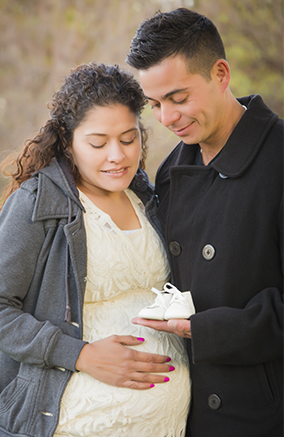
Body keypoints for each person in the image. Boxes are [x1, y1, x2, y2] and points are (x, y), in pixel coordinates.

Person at [0, 62, 191, 437]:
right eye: (98, 143)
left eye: (128, 138)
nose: (117, 155)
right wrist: (81, 355)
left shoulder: (149, 198)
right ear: (68, 142)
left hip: (166, 425)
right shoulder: (38, 202)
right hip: (73, 424)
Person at [126, 7, 284, 437]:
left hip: (262, 413)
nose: (166, 118)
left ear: (220, 73)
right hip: (187, 413)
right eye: (154, 104)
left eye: (178, 98)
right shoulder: (170, 172)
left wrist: (205, 329)